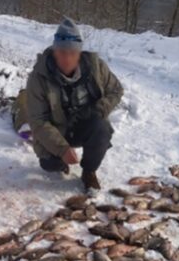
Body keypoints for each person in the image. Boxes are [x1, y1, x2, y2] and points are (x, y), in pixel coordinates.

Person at [24, 17, 124, 192]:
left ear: (79, 53)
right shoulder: (38, 77)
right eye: (62, 52)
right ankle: (61, 162)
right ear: (54, 51)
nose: (67, 58)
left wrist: (100, 109)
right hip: (56, 130)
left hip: (85, 124)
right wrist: (62, 149)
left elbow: (116, 90)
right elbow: (38, 121)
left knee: (102, 128)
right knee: (49, 165)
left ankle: (89, 172)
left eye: (72, 53)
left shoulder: (96, 67)